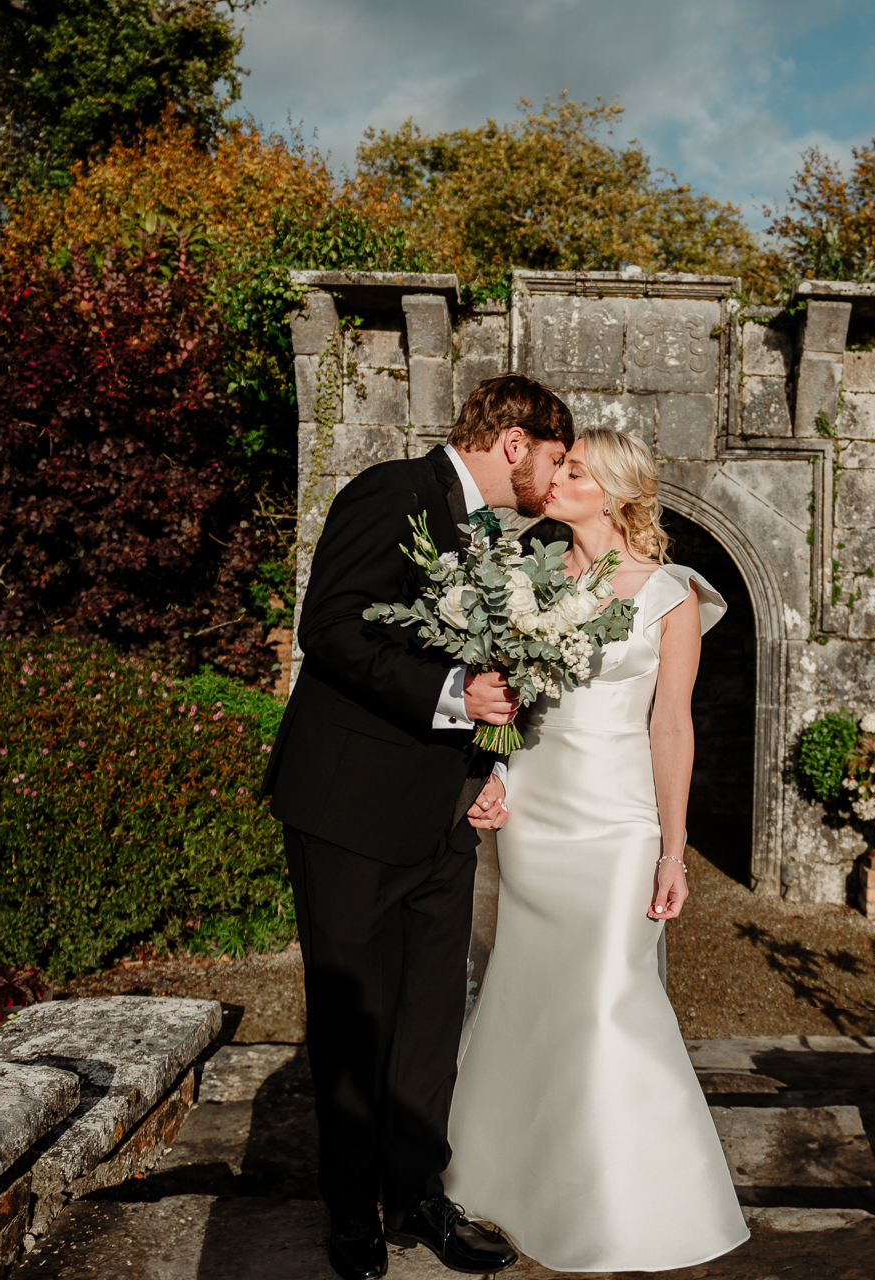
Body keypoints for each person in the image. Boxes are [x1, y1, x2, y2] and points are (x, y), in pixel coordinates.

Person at [262, 373, 574, 1280]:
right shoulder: (389, 491)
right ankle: (351, 1212)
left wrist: (487, 764)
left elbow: (488, 668)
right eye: (552, 460)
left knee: (433, 1020)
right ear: (514, 442)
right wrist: (452, 695)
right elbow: (333, 629)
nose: (553, 481)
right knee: (356, 1021)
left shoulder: (492, 538)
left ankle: (418, 1198)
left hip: (443, 821)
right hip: (350, 812)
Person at [443, 427, 750, 1273]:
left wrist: (673, 851)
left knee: (611, 997)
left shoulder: (671, 595)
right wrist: (494, 774)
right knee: (529, 995)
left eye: (574, 470)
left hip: (619, 826)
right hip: (535, 818)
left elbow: (672, 726)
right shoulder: (522, 579)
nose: (557, 478)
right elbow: (511, 701)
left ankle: (626, 1205)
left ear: (614, 491)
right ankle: (511, 1184)